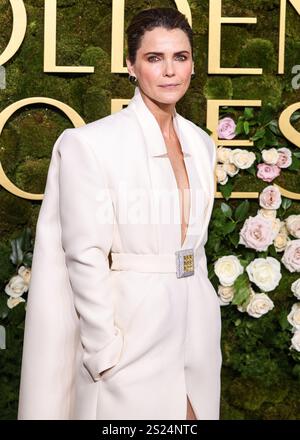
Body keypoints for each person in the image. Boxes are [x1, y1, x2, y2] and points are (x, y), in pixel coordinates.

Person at [17, 7, 222, 420]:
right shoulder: (90, 144)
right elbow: (83, 254)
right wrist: (104, 350)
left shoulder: (201, 143)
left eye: (180, 57)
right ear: (131, 65)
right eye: (154, 58)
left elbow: (192, 248)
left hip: (196, 326)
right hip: (130, 330)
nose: (169, 71)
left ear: (193, 64)